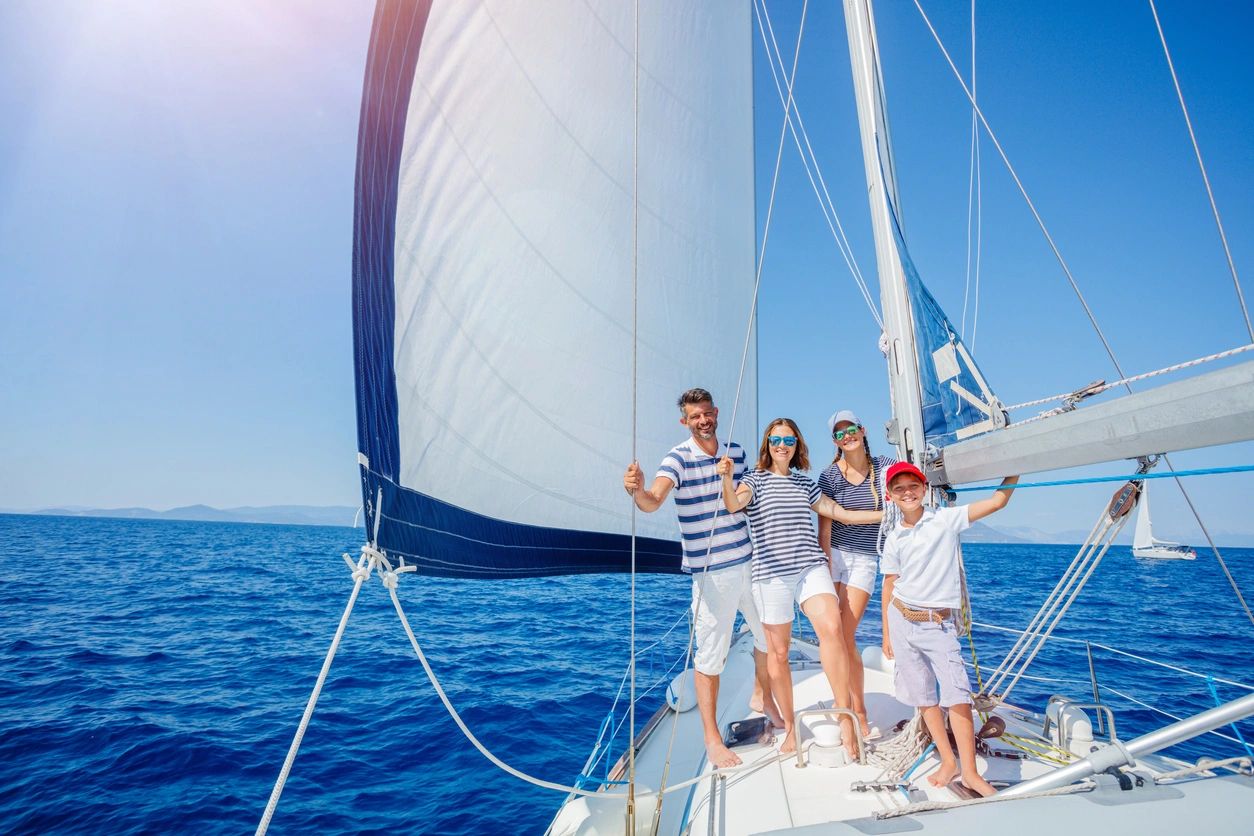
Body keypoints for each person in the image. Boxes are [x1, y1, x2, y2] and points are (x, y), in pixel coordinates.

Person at [623, 388, 781, 769]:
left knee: (769, 635)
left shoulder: (737, 452)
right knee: (711, 657)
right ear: (685, 421)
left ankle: (762, 696)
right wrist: (637, 490)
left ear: (716, 412)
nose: (704, 420)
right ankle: (712, 738)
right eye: (696, 416)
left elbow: (749, 495)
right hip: (712, 574)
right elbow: (653, 501)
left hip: (751, 561)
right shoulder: (676, 459)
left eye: (708, 413)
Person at [717, 419, 882, 757]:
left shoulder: (804, 484)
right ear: (767, 444)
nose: (782, 445)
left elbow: (841, 513)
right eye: (776, 439)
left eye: (788, 439)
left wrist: (887, 513)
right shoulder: (754, 481)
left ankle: (844, 716)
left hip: (810, 566)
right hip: (771, 575)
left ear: (796, 445)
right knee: (777, 653)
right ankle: (791, 727)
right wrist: (725, 479)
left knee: (833, 629)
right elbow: (734, 505)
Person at [879, 461, 1019, 797]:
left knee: (957, 698)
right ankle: (948, 760)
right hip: (901, 619)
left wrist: (1014, 466)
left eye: (913, 485)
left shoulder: (944, 519)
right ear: (890, 496)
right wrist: (886, 633)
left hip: (938, 624)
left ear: (925, 489)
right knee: (924, 698)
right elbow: (889, 584)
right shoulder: (894, 537)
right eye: (899, 488)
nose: (907, 492)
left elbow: (998, 501)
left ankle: (970, 773)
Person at [817, 410, 897, 739]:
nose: (846, 436)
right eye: (839, 434)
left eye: (850, 429)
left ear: (862, 431)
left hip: (865, 558)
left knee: (847, 636)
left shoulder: (885, 466)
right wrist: (823, 566)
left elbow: (914, 485)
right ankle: (844, 708)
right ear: (834, 441)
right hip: (834, 554)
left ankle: (858, 710)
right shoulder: (829, 477)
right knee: (832, 635)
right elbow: (825, 527)